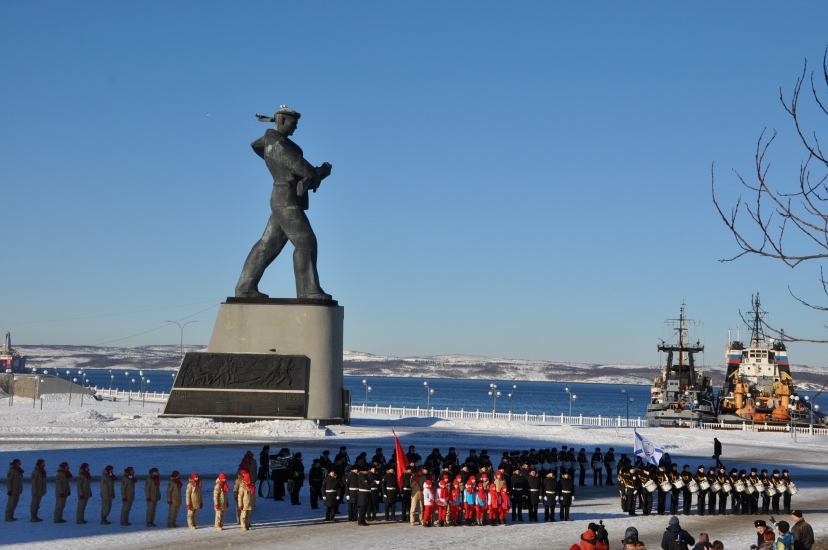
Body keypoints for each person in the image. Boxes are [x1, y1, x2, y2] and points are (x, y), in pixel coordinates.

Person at [235, 106, 334, 300]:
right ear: (281, 120)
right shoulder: (276, 142)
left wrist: (318, 173)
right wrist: (317, 173)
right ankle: (308, 290)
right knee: (306, 241)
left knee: (268, 245)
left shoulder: (277, 142)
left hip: (285, 197)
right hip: (285, 198)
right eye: (293, 123)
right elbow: (300, 167)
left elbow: (301, 170)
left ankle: (246, 288)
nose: (295, 128)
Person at [6, 458, 23, 522]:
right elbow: (8, 481)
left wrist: (20, 488)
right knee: (11, 504)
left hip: (17, 490)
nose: (20, 464)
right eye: (18, 463)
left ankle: (11, 516)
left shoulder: (18, 470)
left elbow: (19, 481)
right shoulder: (11, 471)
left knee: (15, 503)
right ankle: (8, 517)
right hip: (12, 491)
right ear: (15, 463)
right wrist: (9, 490)